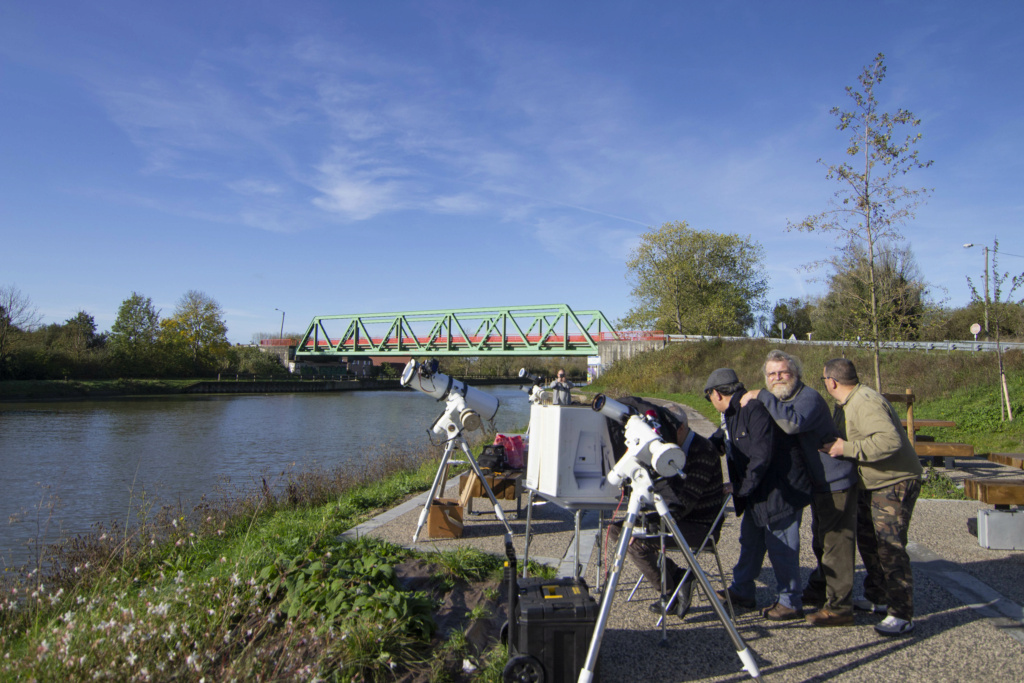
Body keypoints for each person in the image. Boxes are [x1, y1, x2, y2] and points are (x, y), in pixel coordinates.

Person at [741, 350, 858, 627]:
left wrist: (761, 395)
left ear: (797, 375)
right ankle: (819, 591)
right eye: (771, 374)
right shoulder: (784, 400)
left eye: (783, 372)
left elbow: (791, 425)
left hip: (835, 482)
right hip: (817, 483)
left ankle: (840, 609)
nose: (777, 378)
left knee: (835, 546)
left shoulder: (808, 398)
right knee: (822, 541)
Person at [822, 358, 923, 637]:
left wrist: (847, 448)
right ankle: (879, 597)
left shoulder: (864, 401)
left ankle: (902, 614)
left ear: (831, 382)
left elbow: (890, 441)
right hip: (873, 483)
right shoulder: (847, 402)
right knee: (868, 541)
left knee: (890, 547)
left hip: (895, 482)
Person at [705, 367, 812, 621]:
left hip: (779, 490)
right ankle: (742, 590)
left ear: (717, 394)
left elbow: (761, 456)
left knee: (782, 546)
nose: (710, 402)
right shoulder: (732, 413)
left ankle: (790, 602)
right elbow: (721, 441)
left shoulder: (752, 409)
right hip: (758, 491)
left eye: (709, 397)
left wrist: (741, 488)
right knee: (751, 542)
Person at [606, 398, 725, 620]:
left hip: (699, 525)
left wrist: (644, 524)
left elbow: (683, 504)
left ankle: (669, 594)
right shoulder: (668, 448)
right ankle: (678, 576)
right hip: (675, 515)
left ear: (682, 428)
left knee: (635, 541)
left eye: (668, 432)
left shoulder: (702, 452)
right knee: (615, 531)